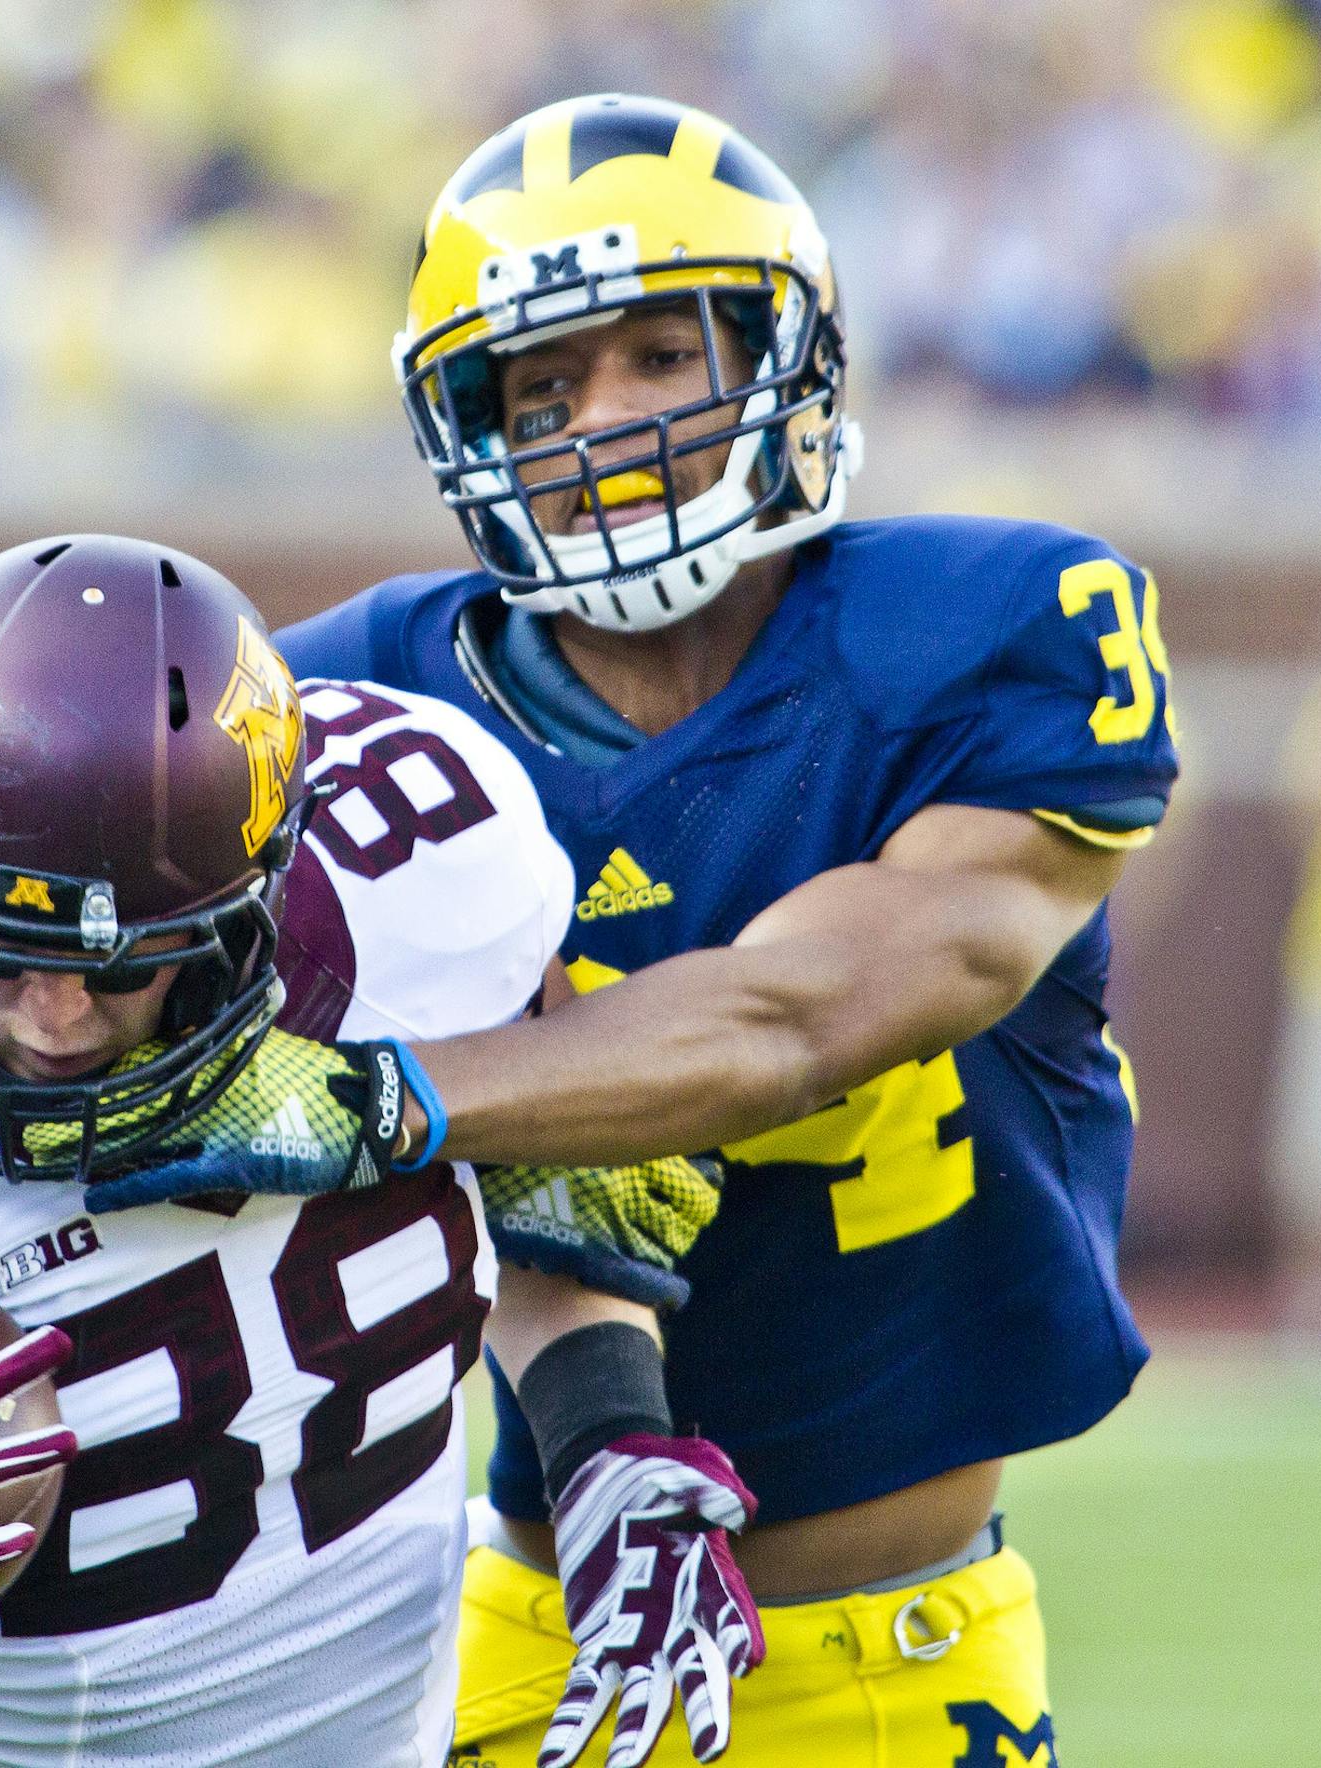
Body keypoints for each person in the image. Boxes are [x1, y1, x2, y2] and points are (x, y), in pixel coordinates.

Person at [122, 95, 1179, 1766]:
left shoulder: (986, 631)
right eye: (539, 387)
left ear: (783, 355)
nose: (601, 424)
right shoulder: (353, 704)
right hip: (520, 1609)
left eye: (656, 360)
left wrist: (378, 1098)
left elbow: (789, 1021)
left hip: (895, 1654)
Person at [0, 533, 746, 1768]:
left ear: (263, 896)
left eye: (121, 961)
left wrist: (607, 1436)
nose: (53, 1017)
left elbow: (543, 1165)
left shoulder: (415, 874)